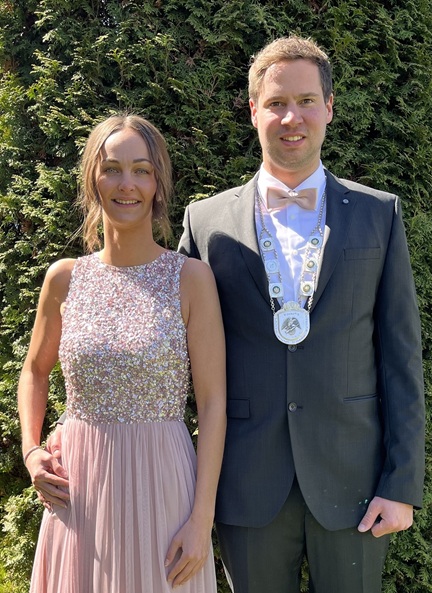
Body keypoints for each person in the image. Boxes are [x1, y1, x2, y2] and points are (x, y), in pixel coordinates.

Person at [177, 36, 425, 593]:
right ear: (253, 111)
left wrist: (402, 483)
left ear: (330, 107)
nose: (292, 117)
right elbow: (176, 359)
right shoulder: (205, 221)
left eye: (307, 101)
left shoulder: (379, 214)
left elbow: (401, 358)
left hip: (355, 484)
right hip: (244, 483)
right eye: (276, 103)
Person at [18, 114, 226, 593]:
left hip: (164, 487)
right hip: (78, 490)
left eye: (141, 170)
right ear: (93, 179)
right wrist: (31, 450)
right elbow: (34, 371)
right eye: (112, 168)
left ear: (157, 184)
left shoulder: (191, 279)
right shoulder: (64, 278)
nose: (126, 183)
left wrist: (202, 519)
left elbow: (214, 403)